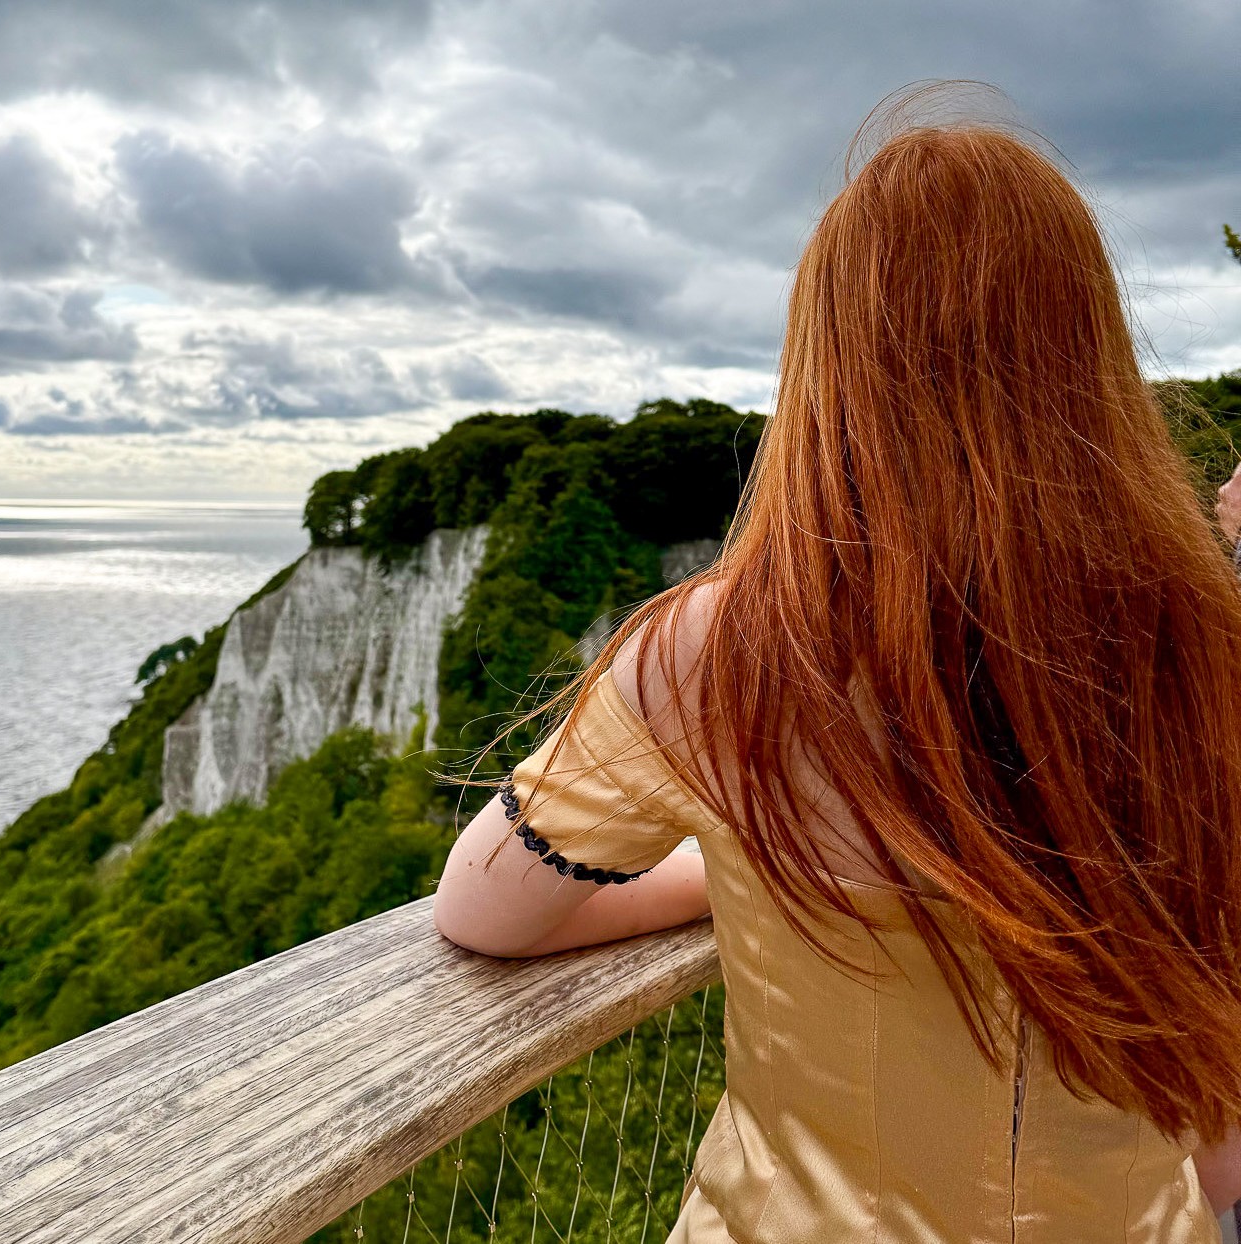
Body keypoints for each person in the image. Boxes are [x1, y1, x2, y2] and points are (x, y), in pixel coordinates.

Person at [434, 100, 1241, 1242]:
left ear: (832, 362)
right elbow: (1221, 1158)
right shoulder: (1204, 657)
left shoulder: (717, 654)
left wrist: (733, 862)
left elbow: (482, 909)